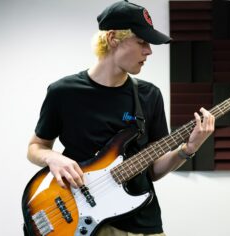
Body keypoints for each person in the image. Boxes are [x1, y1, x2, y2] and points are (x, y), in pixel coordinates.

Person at [27, 1, 215, 235]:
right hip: (81, 221)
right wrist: (53, 158)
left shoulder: (149, 95)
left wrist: (187, 149)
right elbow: (36, 147)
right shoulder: (63, 92)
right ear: (113, 38)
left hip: (143, 224)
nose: (149, 51)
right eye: (141, 42)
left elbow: (153, 170)